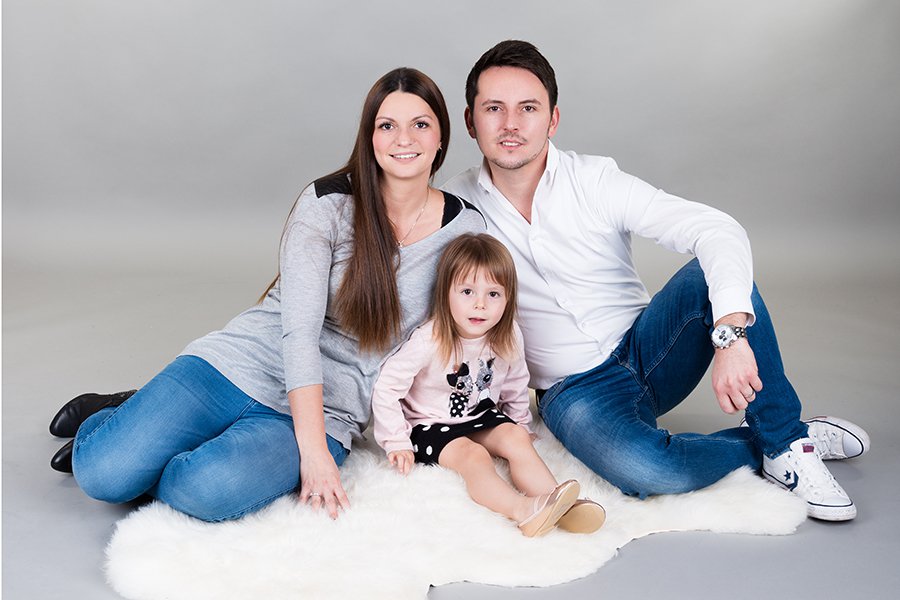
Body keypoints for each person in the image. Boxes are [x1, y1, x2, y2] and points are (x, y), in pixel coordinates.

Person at [442, 40, 870, 521]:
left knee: (712, 275)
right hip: (574, 391)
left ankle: (786, 439)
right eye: (493, 108)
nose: (511, 124)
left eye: (528, 108)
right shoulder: (455, 210)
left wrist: (730, 336)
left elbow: (717, 230)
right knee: (650, 472)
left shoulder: (595, 180)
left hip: (653, 350)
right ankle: (779, 442)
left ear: (552, 119)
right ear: (470, 121)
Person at [47, 67, 487, 522]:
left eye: (420, 124)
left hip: (332, 404)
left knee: (203, 490)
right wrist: (312, 454)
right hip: (244, 362)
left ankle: (148, 429)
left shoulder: (465, 228)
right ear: (370, 138)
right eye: (387, 125)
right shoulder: (327, 203)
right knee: (103, 475)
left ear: (441, 137)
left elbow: (465, 330)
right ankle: (116, 419)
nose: (404, 139)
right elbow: (299, 333)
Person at [371, 233, 605, 536]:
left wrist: (520, 422)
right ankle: (523, 510)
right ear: (445, 293)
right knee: (474, 456)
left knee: (515, 437)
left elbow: (516, 383)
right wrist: (396, 441)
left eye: (493, 294)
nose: (480, 305)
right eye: (467, 292)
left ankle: (558, 503)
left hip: (479, 414)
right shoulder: (430, 339)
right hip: (430, 424)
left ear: (508, 299)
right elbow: (387, 387)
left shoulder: (508, 335)